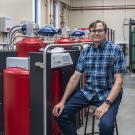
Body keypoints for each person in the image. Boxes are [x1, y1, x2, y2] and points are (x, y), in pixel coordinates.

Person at [52, 20, 125, 135]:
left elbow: (119, 81)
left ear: (105, 32)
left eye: (99, 30)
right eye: (93, 31)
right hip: (89, 91)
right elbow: (75, 77)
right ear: (90, 33)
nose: (96, 33)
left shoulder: (115, 50)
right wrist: (62, 101)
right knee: (59, 113)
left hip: (109, 93)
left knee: (106, 125)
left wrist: (106, 104)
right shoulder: (85, 52)